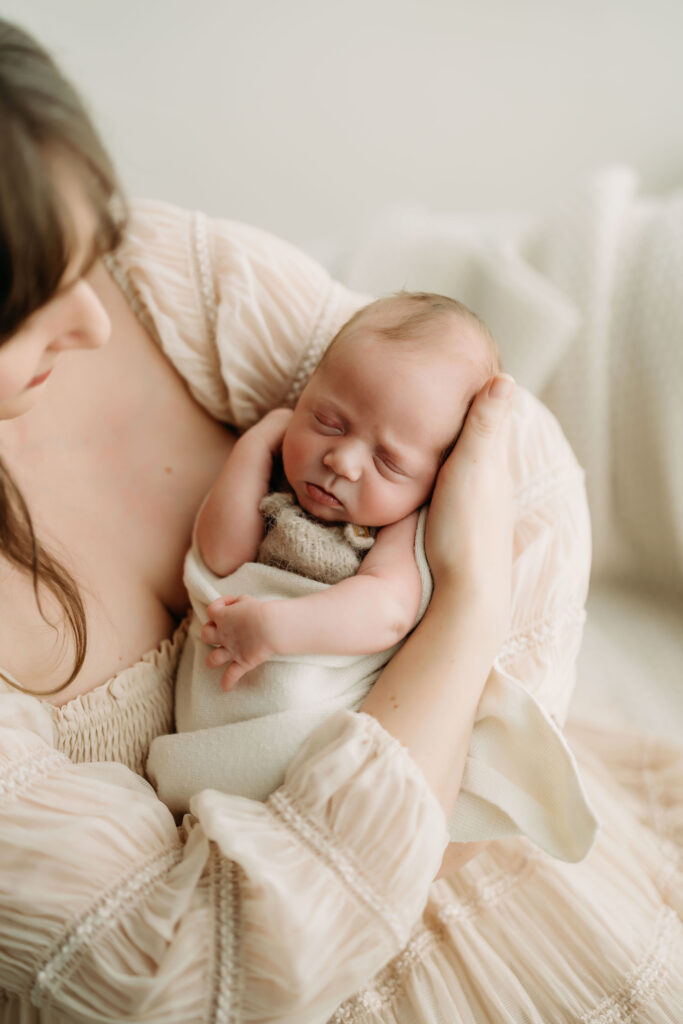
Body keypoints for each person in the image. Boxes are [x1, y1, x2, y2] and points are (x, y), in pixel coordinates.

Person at [0, 18, 680, 1024]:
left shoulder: (152, 270)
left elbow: (515, 459)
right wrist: (460, 616)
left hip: (527, 883)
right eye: (19, 312)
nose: (91, 321)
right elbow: (199, 972)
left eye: (86, 250)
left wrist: (429, 638)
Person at [146, 293, 507, 812]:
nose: (342, 460)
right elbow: (221, 559)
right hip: (216, 716)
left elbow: (384, 612)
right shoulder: (273, 483)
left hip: (305, 733)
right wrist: (253, 449)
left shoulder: (401, 531)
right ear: (305, 392)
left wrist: (277, 629)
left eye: (389, 462)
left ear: (435, 480)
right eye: (329, 421)